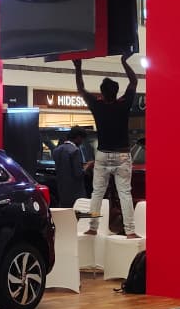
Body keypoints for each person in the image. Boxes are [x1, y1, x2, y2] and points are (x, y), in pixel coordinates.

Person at [74, 51, 139, 238]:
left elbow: (81, 89)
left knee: (97, 193)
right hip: (122, 154)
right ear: (116, 92)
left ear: (102, 93)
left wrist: (78, 67)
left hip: (102, 155)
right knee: (125, 193)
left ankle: (92, 228)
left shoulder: (97, 105)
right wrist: (124, 61)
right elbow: (134, 82)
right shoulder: (123, 104)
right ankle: (130, 231)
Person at [51, 128, 89, 208]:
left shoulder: (56, 150)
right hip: (76, 192)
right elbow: (78, 174)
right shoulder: (75, 151)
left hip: (62, 191)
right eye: (82, 139)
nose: (82, 142)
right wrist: (88, 166)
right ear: (78, 137)